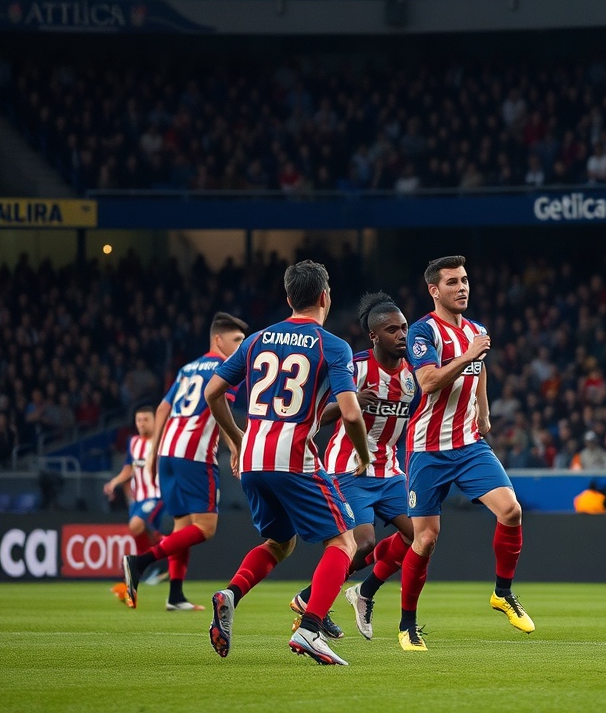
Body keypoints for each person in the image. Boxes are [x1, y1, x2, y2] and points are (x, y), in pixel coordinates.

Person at [205, 260, 371, 667]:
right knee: (344, 543)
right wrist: (364, 455)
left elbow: (213, 393)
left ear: (288, 298)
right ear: (324, 297)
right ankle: (310, 629)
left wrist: (237, 439)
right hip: (293, 458)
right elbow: (351, 413)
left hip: (253, 458)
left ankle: (231, 594)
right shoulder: (332, 346)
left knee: (281, 542)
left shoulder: (256, 339)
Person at [397, 255, 534, 651]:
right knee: (425, 539)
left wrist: (484, 411)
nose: (462, 288)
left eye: (465, 280)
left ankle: (502, 593)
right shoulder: (423, 331)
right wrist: (469, 355)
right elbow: (428, 381)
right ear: (434, 290)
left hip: (470, 444)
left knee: (511, 510)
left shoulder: (476, 331)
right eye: (453, 282)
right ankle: (407, 625)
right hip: (427, 449)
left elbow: (481, 369)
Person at [288, 291, 417, 641]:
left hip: (389, 471)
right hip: (349, 469)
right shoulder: (355, 367)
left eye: (404, 328)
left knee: (418, 535)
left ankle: (360, 592)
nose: (402, 335)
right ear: (374, 335)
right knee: (362, 543)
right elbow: (316, 415)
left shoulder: (414, 374)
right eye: (392, 330)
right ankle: (314, 601)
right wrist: (354, 402)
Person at [122, 312, 249, 611]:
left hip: (168, 452)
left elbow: (162, 409)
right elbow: (220, 411)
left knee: (182, 527)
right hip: (195, 455)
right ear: (217, 340)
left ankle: (175, 596)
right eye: (236, 340)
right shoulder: (226, 368)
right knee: (206, 527)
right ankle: (140, 562)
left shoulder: (187, 368)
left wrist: (153, 453)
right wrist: (235, 445)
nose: (241, 346)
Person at [103, 404, 167, 590]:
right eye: (139, 420)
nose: (142, 423)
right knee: (142, 533)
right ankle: (163, 558)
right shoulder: (133, 442)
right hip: (137, 499)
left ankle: (152, 563)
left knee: (136, 525)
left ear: (155, 421)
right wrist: (114, 482)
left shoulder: (162, 442)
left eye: (146, 419)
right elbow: (128, 468)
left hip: (156, 496)